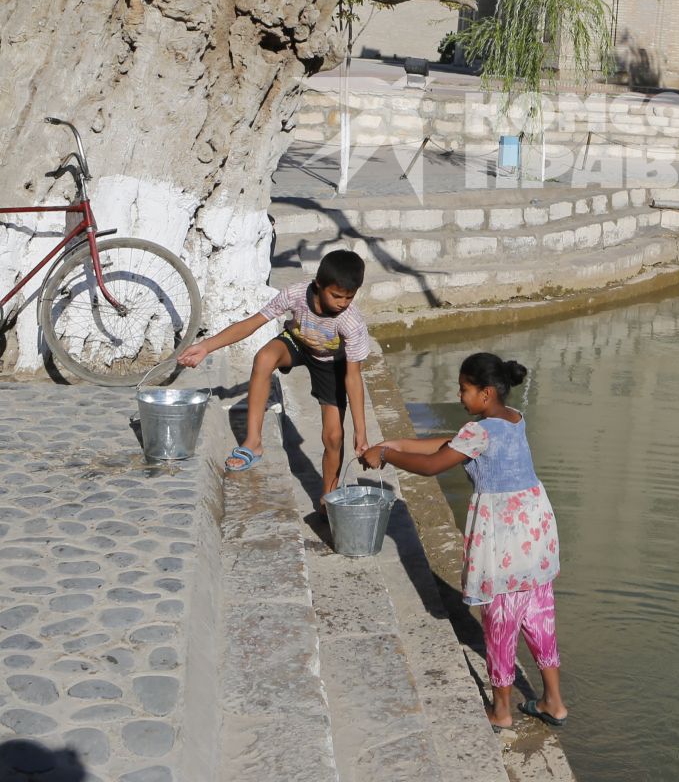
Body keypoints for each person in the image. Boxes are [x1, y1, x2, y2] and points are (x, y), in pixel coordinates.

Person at [362, 353, 567, 734]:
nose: (460, 397)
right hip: (535, 533)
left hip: (504, 537)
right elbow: (448, 444)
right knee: (539, 615)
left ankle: (502, 710)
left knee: (501, 620)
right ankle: (553, 701)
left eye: (464, 390)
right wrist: (393, 442)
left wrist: (388, 454)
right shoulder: (514, 419)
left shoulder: (477, 432)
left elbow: (433, 465)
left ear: (485, 392)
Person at [178, 249, 372, 504]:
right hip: (298, 343)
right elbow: (253, 322)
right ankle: (253, 442)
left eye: (349, 297)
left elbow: (353, 378)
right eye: (336, 296)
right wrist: (207, 346)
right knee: (264, 358)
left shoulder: (352, 322)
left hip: (332, 364)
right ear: (318, 285)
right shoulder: (296, 294)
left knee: (334, 436)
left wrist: (361, 432)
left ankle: (329, 497)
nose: (342, 303)